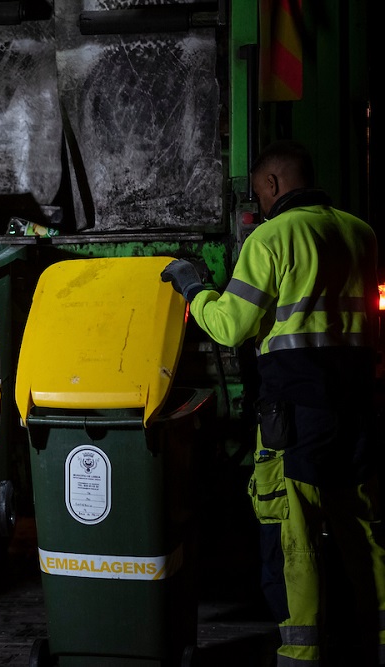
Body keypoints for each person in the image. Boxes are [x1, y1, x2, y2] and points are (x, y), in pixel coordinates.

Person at [161, 140, 383, 665]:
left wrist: (195, 288)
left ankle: (301, 655)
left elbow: (230, 326)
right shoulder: (361, 233)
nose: (258, 204)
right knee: (364, 531)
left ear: (274, 185)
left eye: (260, 191)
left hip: (295, 417)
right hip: (360, 409)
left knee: (294, 536)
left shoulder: (271, 238)